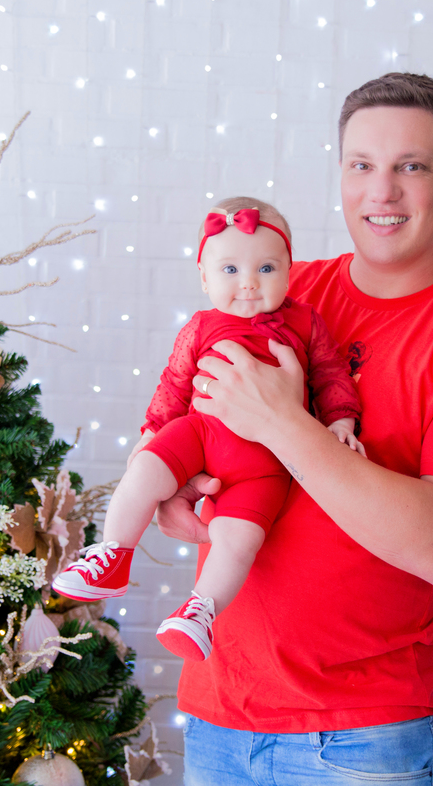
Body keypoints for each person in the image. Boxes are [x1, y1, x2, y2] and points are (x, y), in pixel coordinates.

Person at [156, 73, 433, 784]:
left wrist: (284, 423)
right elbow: (190, 406)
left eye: (412, 167)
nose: (381, 192)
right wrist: (173, 484)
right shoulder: (282, 285)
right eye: (362, 165)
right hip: (219, 718)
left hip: (361, 742)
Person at [53, 197, 362, 662]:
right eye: (230, 270)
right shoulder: (200, 327)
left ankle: (201, 611)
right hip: (199, 435)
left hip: (267, 463)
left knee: (240, 540)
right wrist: (153, 429)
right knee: (143, 472)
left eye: (266, 268)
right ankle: (113, 555)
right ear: (204, 277)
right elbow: (174, 384)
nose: (249, 284)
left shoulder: (305, 322)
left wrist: (341, 420)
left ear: (288, 272)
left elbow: (332, 373)